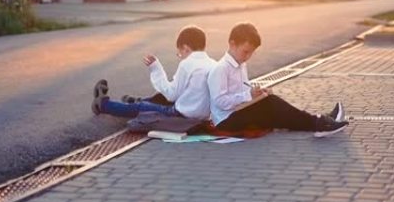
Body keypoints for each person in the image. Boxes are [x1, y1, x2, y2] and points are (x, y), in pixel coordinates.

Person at [207, 22, 349, 137]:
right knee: (272, 104)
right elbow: (220, 102)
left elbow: (243, 90)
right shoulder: (221, 69)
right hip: (226, 120)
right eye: (245, 51)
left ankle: (320, 121)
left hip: (239, 112)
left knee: (277, 111)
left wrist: (257, 93)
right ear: (232, 44)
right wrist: (248, 95)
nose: (248, 56)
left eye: (251, 52)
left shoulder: (240, 65)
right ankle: (320, 123)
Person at [91, 25, 216, 119]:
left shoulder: (187, 64)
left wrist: (156, 68)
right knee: (160, 98)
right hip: (201, 115)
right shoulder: (213, 64)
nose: (181, 57)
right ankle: (136, 101)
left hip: (182, 115)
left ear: (185, 48)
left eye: (180, 53)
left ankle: (103, 104)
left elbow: (171, 94)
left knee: (141, 108)